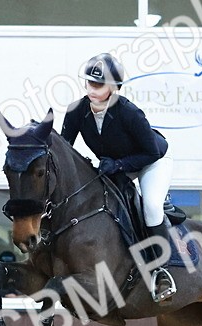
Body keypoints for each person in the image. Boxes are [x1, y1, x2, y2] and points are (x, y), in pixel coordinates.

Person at [61, 52, 177, 303]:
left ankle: (161, 271)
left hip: (151, 162)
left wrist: (119, 164)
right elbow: (64, 149)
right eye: (89, 83)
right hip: (115, 166)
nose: (92, 89)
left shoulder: (130, 113)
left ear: (114, 87)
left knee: (151, 206)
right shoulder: (76, 111)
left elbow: (151, 152)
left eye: (99, 84)